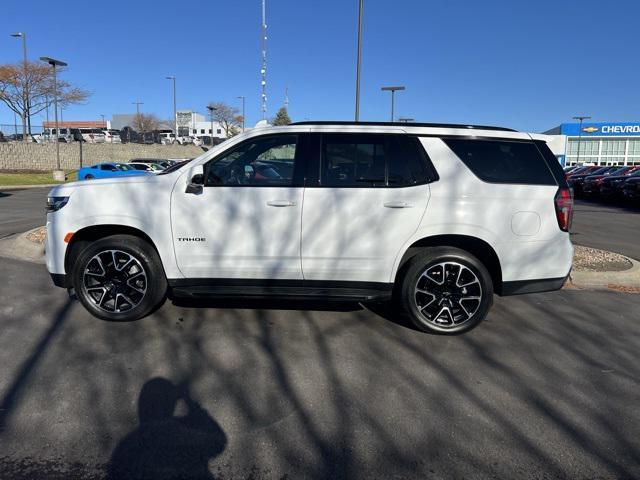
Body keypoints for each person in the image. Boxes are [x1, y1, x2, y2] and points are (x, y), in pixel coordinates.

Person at [107, 377, 226, 479]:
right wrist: (191, 405)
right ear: (170, 405)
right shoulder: (182, 434)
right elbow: (218, 440)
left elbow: (114, 472)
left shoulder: (128, 445)